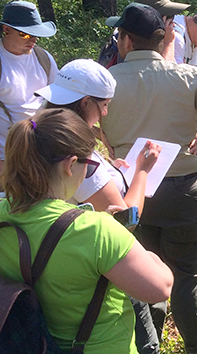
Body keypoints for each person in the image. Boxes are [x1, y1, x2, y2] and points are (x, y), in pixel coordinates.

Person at [101, 3, 197, 354]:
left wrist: (105, 138)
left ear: (124, 40)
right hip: (185, 192)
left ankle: (147, 345)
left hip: (128, 194)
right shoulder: (188, 76)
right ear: (162, 39)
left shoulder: (106, 81)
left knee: (138, 275)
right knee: (188, 275)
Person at [0, 108, 173, 354]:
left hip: (22, 343)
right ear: (71, 165)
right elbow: (160, 288)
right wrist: (127, 241)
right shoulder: (97, 231)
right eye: (92, 164)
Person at [35, 59, 163, 354]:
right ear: (85, 102)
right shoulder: (78, 158)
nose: (105, 112)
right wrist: (142, 170)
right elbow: (125, 217)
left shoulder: (39, 132)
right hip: (102, 271)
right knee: (147, 344)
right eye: (103, 105)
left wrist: (110, 168)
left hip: (52, 263)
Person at [0, 0, 58, 198]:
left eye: (36, 34)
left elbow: (59, 107)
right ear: (6, 30)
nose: (32, 39)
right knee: (9, 219)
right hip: (4, 157)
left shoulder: (44, 59)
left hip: (42, 156)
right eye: (25, 34)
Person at [99, 0, 190, 68]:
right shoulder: (131, 45)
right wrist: (168, 43)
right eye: (168, 18)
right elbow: (167, 78)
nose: (172, 24)